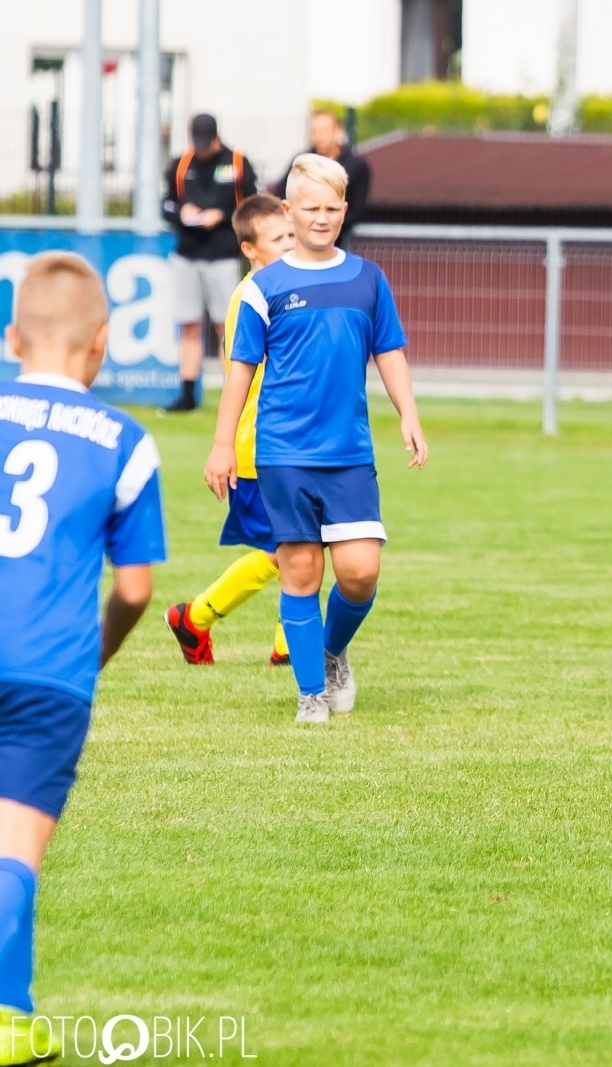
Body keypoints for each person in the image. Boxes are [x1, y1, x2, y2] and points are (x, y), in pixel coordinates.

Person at [0, 253, 166, 1063]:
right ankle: (6, 1018)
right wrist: (93, 656)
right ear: (103, 342)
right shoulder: (126, 444)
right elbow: (136, 589)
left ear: (9, 337)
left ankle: (15, 1014)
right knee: (12, 853)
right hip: (48, 672)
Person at [205, 153, 428, 723]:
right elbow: (240, 372)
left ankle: (331, 654)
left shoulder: (367, 279)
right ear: (288, 210)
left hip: (349, 453)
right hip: (282, 454)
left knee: (360, 573)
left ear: (344, 209)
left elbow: (389, 351)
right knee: (301, 571)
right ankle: (311, 697)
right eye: (310, 208)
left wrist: (409, 413)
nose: (321, 218)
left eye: (332, 208)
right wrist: (222, 443)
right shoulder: (264, 288)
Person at [166, 195, 296, 667]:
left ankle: (285, 644)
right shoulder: (250, 297)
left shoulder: (289, 290)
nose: (290, 243)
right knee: (286, 553)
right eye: (278, 238)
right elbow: (238, 376)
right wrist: (224, 445)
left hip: (291, 443)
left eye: (290, 234)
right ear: (250, 249)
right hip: (259, 446)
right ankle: (195, 617)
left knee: (301, 547)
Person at [161, 113, 258, 413]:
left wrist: (223, 216)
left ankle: (236, 392)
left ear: (217, 137)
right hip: (187, 254)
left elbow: (252, 206)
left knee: (225, 326)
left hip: (224, 255)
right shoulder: (180, 165)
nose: (202, 149)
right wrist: (183, 214)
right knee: (189, 325)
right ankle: (187, 394)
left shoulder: (239, 163)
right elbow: (166, 205)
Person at [271, 109, 371, 250]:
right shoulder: (301, 161)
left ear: (338, 131)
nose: (318, 136)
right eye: (314, 131)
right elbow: (280, 194)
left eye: (324, 130)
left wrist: (329, 222)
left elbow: (357, 208)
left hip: (340, 241)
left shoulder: (356, 165)